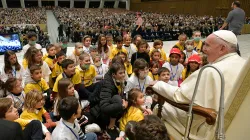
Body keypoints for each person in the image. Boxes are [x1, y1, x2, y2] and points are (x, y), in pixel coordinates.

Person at [150, 30, 246, 139]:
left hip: (209, 126)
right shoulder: (243, 64)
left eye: (208, 46)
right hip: (234, 127)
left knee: (161, 107)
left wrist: (158, 85)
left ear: (222, 48)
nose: (203, 49)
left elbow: (180, 96)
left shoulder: (211, 70)